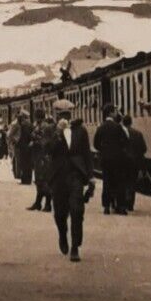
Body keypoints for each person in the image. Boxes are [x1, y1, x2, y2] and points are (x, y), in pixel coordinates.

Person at [48, 102, 92, 262]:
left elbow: (87, 154)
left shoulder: (80, 130)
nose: (65, 117)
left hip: (76, 175)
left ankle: (75, 247)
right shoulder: (52, 130)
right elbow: (49, 149)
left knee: (77, 210)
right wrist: (58, 133)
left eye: (67, 114)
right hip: (58, 176)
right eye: (61, 114)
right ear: (56, 115)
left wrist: (91, 176)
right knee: (60, 212)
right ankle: (62, 234)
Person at [93, 106, 130, 215]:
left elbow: (95, 144)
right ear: (110, 113)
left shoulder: (101, 127)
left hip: (105, 159)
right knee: (119, 182)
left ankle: (106, 207)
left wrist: (103, 150)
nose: (115, 113)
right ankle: (121, 207)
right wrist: (119, 149)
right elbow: (125, 141)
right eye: (114, 112)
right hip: (117, 159)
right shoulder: (118, 127)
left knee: (107, 182)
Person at [28, 115, 55, 212]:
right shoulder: (38, 126)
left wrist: (34, 142)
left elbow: (45, 142)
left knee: (44, 181)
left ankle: (47, 204)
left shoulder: (45, 127)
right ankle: (38, 203)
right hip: (38, 156)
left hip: (43, 157)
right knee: (39, 181)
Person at [122, 114, 147, 213]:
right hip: (134, 162)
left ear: (123, 123)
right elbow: (144, 149)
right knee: (132, 182)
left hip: (123, 162)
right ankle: (130, 204)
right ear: (131, 122)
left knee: (123, 182)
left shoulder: (120, 134)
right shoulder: (138, 133)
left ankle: (124, 202)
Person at [13, 112, 34, 185]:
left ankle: (24, 180)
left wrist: (17, 144)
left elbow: (22, 137)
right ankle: (28, 179)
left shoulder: (23, 125)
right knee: (28, 164)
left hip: (23, 146)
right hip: (29, 146)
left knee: (23, 164)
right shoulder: (31, 124)